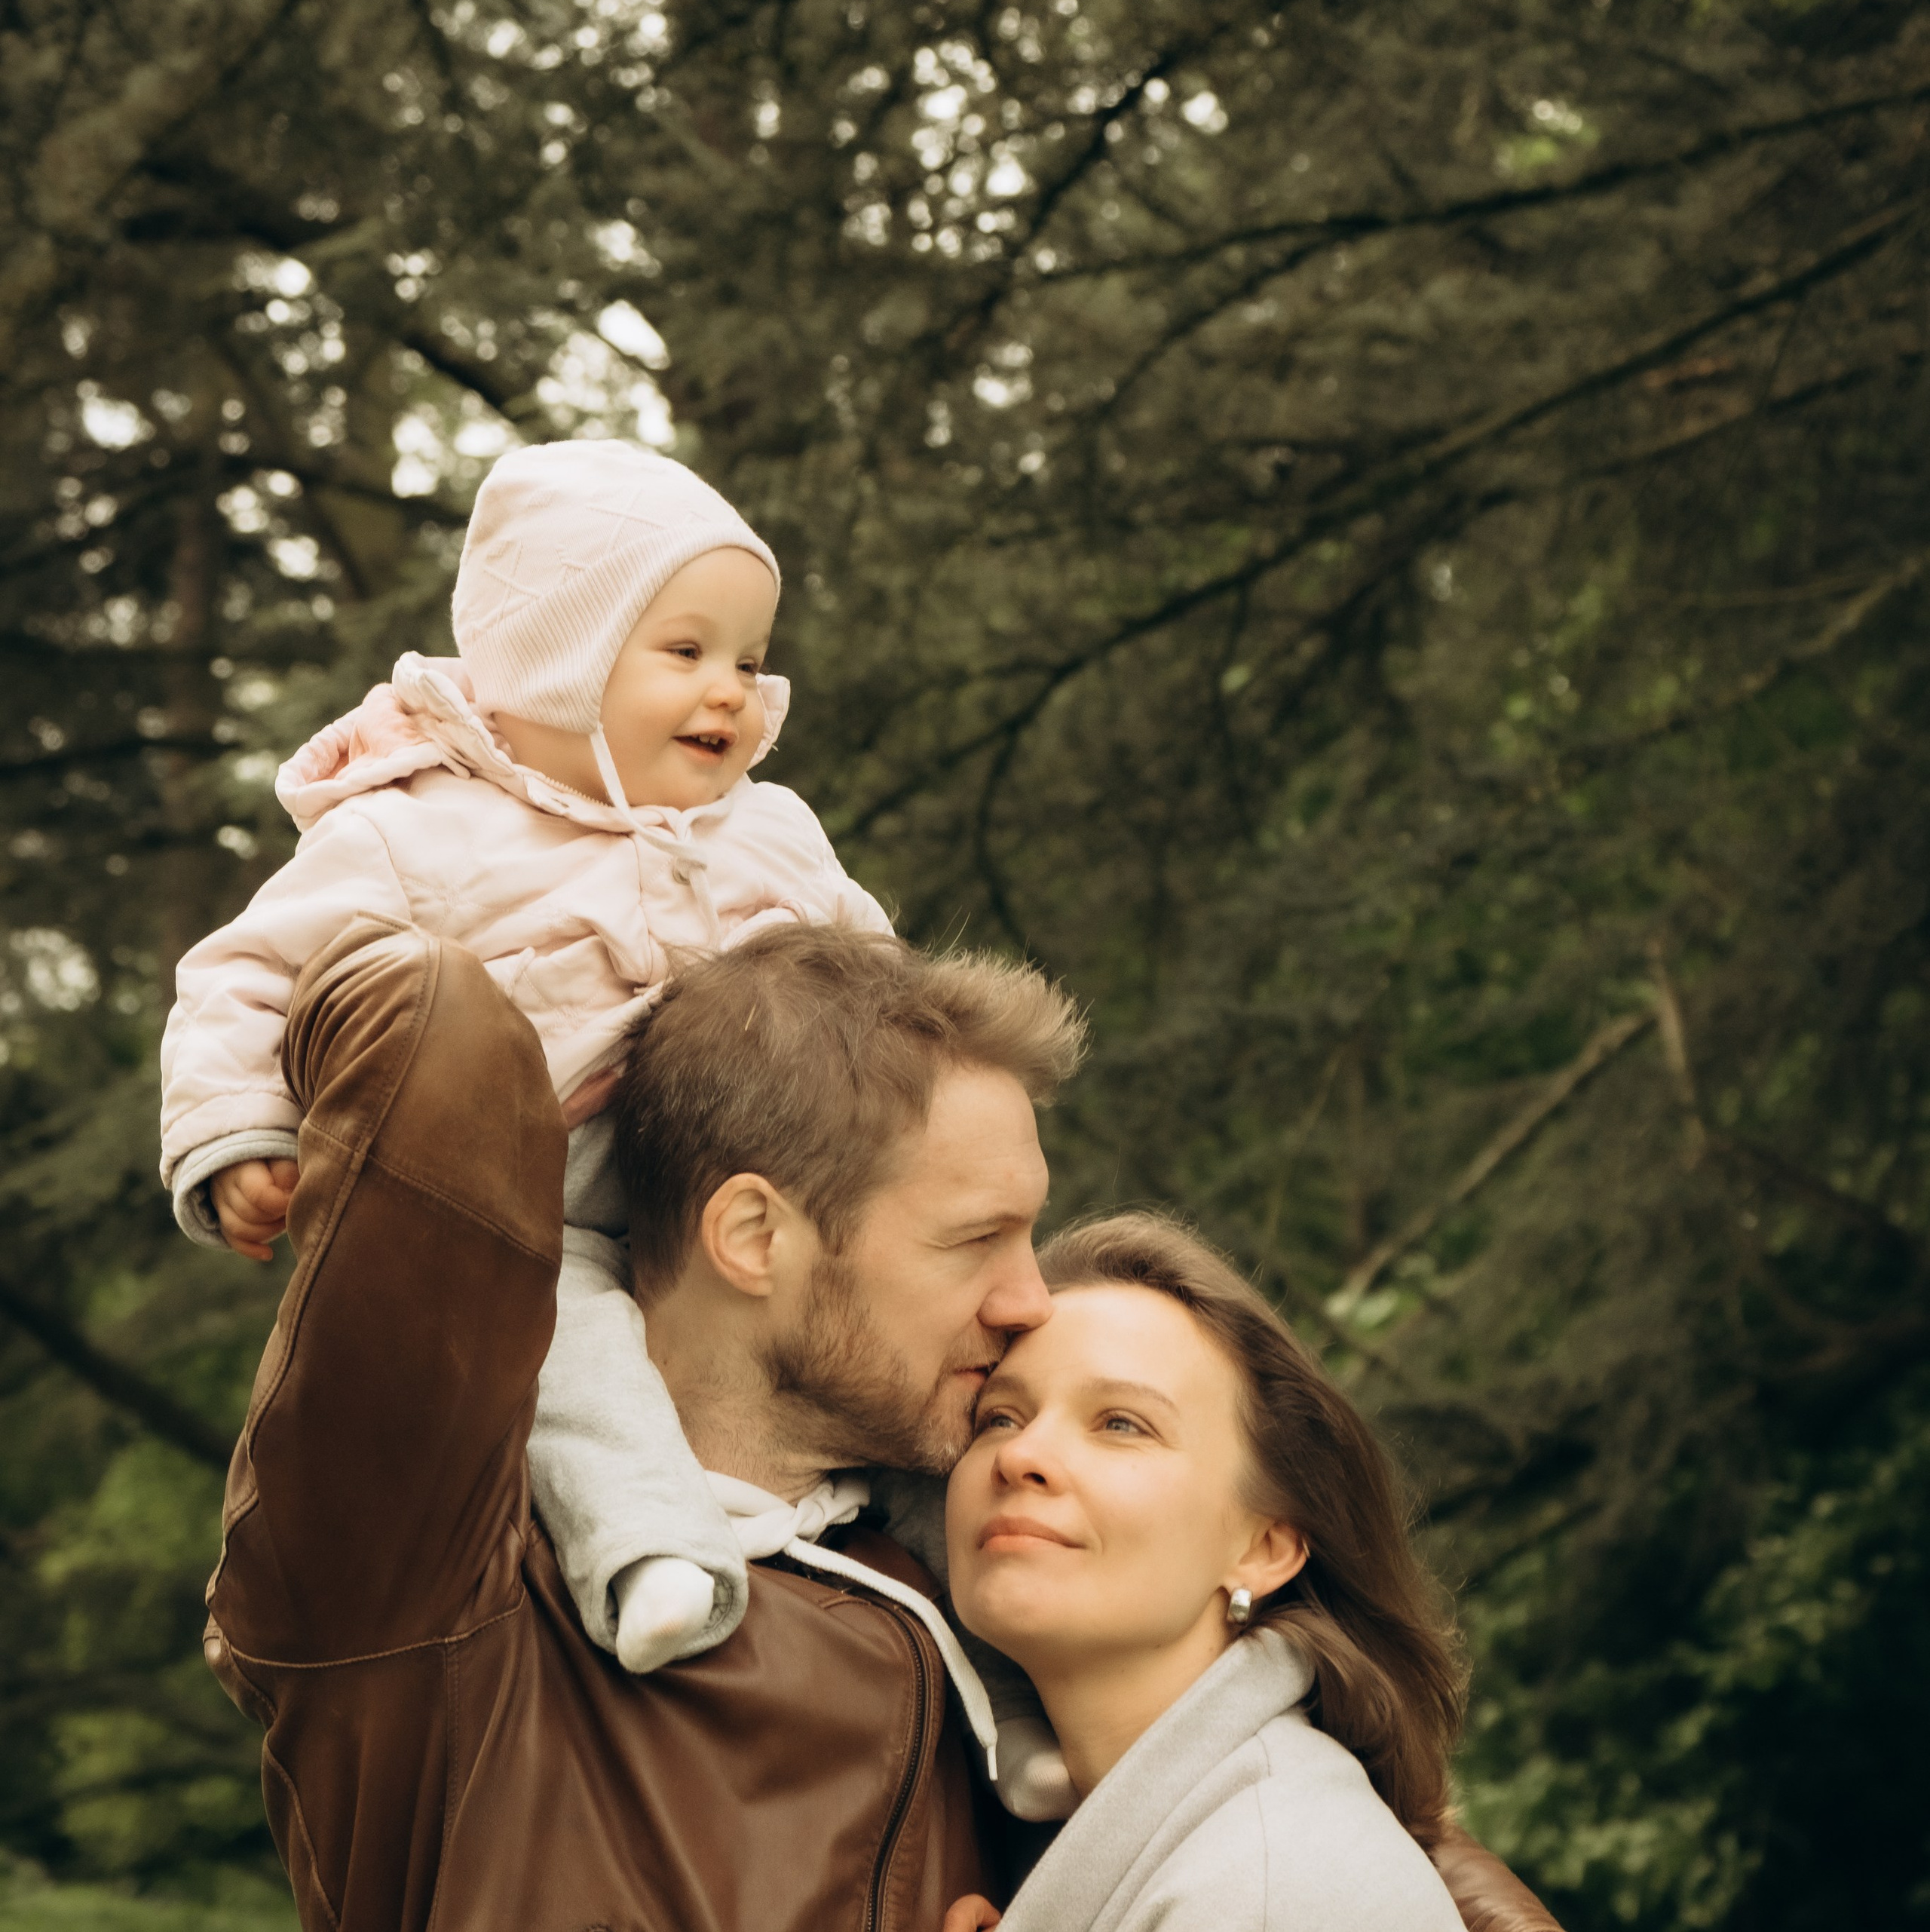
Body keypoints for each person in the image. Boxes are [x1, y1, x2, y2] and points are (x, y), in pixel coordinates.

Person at [201, 916, 1562, 1931]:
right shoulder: (446, 1582)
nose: (1029, 1296)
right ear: (754, 1235)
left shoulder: (973, 1585)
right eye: (978, 1239)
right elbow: (437, 1033)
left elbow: (1229, 1778)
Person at [160, 438, 897, 1678]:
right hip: (539, 1200)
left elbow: (883, 976)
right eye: (686, 651)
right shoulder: (419, 832)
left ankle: (979, 1629)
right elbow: (250, 974)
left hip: (750, 1187)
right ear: (562, 657)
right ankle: (654, 1552)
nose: (731, 690)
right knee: (558, 1336)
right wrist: (243, 1133)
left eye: (750, 660)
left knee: (884, 1331)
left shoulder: (768, 829)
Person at [940, 1211, 1559, 1932]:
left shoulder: (1285, 1884)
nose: (1021, 1456)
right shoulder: (1051, 1815)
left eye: (1120, 1423)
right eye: (1000, 1418)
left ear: (1265, 1548)